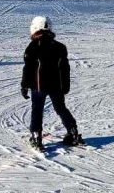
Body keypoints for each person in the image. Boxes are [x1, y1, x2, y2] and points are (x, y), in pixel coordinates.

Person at [22, 16, 84, 151]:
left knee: (37, 109)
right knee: (61, 108)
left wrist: (24, 85)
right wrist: (65, 85)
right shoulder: (60, 46)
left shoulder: (32, 46)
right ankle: (73, 133)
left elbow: (28, 68)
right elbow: (65, 68)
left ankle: (36, 137)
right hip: (56, 86)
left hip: (38, 86)